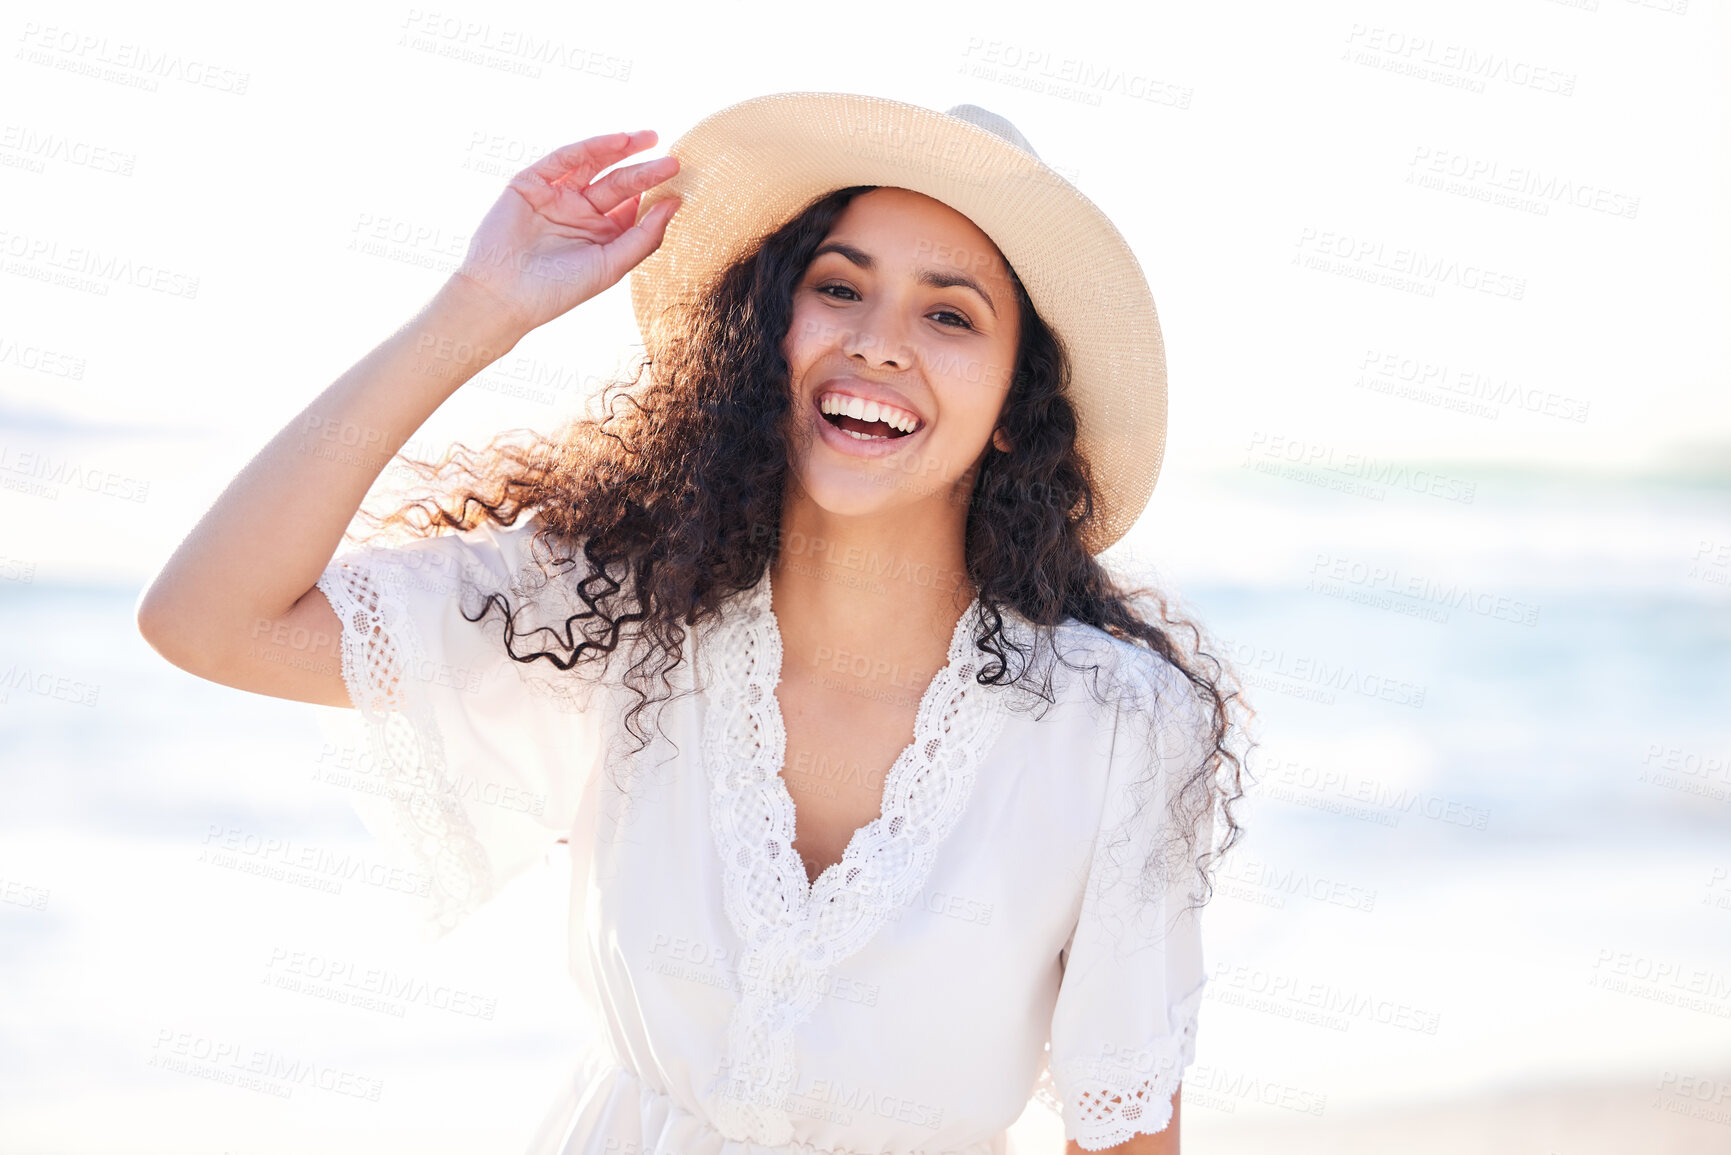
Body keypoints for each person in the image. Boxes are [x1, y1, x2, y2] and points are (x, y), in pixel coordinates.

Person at [137, 93, 1246, 1155]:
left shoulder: (1121, 726)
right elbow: (208, 619)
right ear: (768, 337)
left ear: (1015, 414)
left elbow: (1125, 1127)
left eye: (950, 314)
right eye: (838, 288)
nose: (880, 343)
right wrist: (478, 308)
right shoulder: (617, 608)